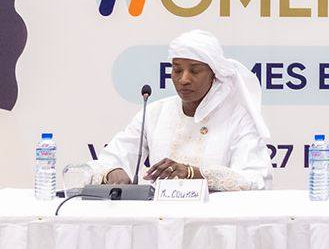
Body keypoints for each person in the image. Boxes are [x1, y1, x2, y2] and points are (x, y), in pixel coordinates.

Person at [89, 30, 272, 190]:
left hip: (213, 217)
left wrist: (194, 174)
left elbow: (256, 179)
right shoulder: (154, 113)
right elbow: (108, 160)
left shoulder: (237, 118)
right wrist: (113, 171)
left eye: (195, 71)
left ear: (214, 75)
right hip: (159, 217)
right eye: (177, 70)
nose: (184, 79)